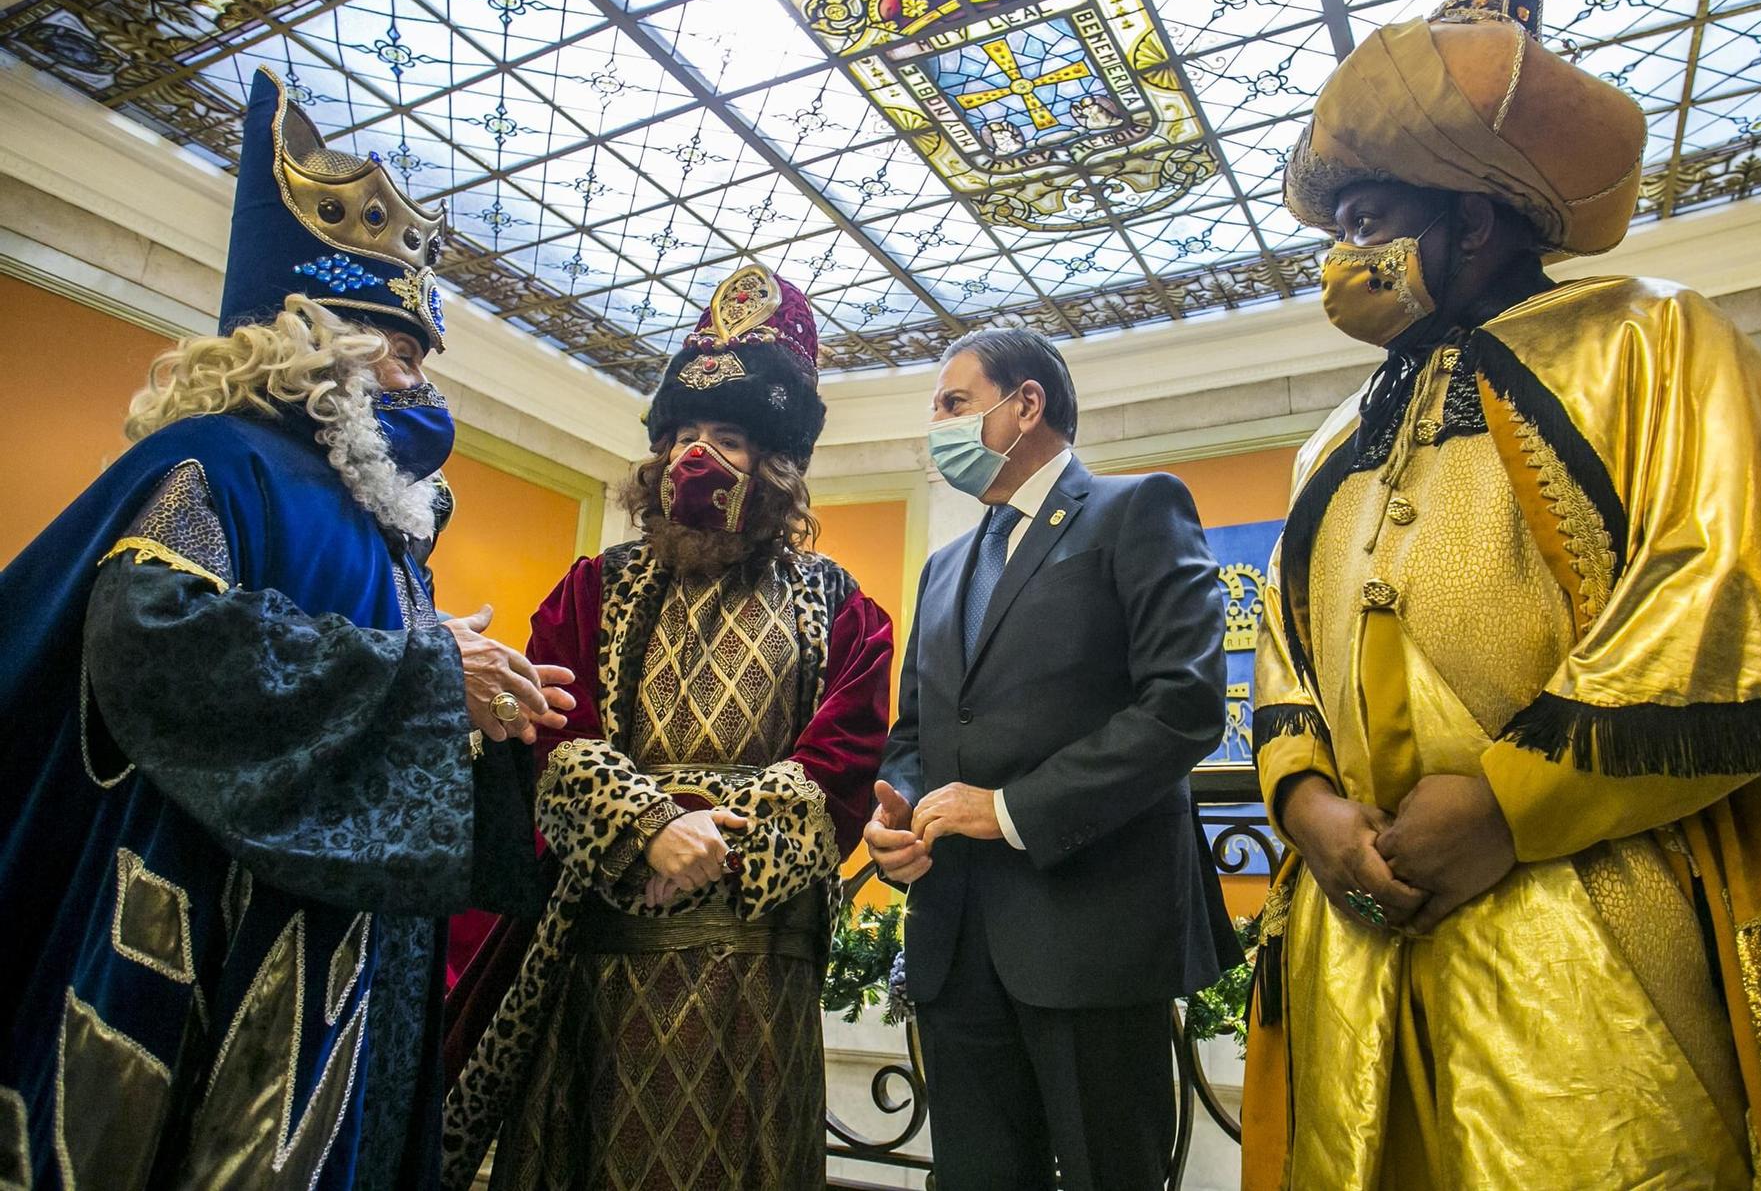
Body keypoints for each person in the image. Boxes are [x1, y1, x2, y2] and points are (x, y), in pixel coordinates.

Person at [1238, 0, 1761, 1188]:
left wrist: (1509, 800)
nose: (1338, 255)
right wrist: (1304, 802)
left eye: (1368, 222)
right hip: (1358, 941)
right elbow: (1286, 645)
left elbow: (1728, 586)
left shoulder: (1660, 340)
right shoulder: (1328, 435)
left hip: (1607, 925)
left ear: (1473, 219)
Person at [0, 65, 564, 1189]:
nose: (419, 382)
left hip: (358, 939)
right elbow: (155, 644)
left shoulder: (377, 514)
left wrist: (448, 681)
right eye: (400, 349)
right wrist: (424, 668)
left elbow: (360, 665)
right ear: (312, 332)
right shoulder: (207, 460)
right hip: (220, 923)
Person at [441, 265, 894, 1190]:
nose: (697, 457)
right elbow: (549, 732)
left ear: (776, 464)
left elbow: (840, 766)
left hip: (757, 967)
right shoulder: (593, 586)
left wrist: (699, 841)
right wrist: (647, 830)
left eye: (728, 438)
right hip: (603, 949)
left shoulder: (839, 602)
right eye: (683, 434)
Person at [866, 327, 1239, 1191]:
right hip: (957, 943)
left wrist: (1003, 811)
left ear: (1025, 403)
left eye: (954, 404)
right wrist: (905, 816)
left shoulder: (1137, 508)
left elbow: (1184, 705)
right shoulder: (944, 566)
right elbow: (916, 732)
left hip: (1091, 935)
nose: (938, 427)